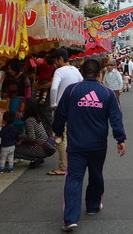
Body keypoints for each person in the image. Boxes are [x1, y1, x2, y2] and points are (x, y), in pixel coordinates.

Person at [52, 59, 127, 232]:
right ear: (100, 74)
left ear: (82, 72)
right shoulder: (107, 93)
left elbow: (60, 114)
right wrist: (120, 139)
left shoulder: (72, 91)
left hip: (76, 144)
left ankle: (70, 219)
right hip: (98, 145)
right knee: (96, 174)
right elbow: (116, 118)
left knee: (73, 178)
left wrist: (57, 132)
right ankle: (93, 206)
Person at [48, 48, 83, 176]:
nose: (54, 64)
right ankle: (74, 163)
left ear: (61, 59)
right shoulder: (76, 70)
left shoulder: (59, 71)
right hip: (76, 108)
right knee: (73, 135)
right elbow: (82, 86)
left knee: (60, 136)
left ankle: (63, 167)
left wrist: (53, 104)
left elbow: (53, 89)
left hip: (61, 109)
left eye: (55, 61)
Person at [15, 98, 50, 168]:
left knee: (13, 151)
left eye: (24, 103)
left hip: (39, 148)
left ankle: (36, 158)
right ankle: (38, 157)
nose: (22, 104)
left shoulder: (29, 120)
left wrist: (21, 136)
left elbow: (32, 138)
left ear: (28, 106)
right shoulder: (35, 117)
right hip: (44, 146)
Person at [1, 58, 32, 133]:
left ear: (16, 68)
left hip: (22, 103)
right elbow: (8, 94)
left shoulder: (24, 79)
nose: (9, 71)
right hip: (12, 103)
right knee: (11, 122)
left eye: (11, 69)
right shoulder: (10, 78)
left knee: (20, 122)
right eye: (8, 69)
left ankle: (20, 140)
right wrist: (7, 108)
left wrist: (20, 109)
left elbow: (27, 95)